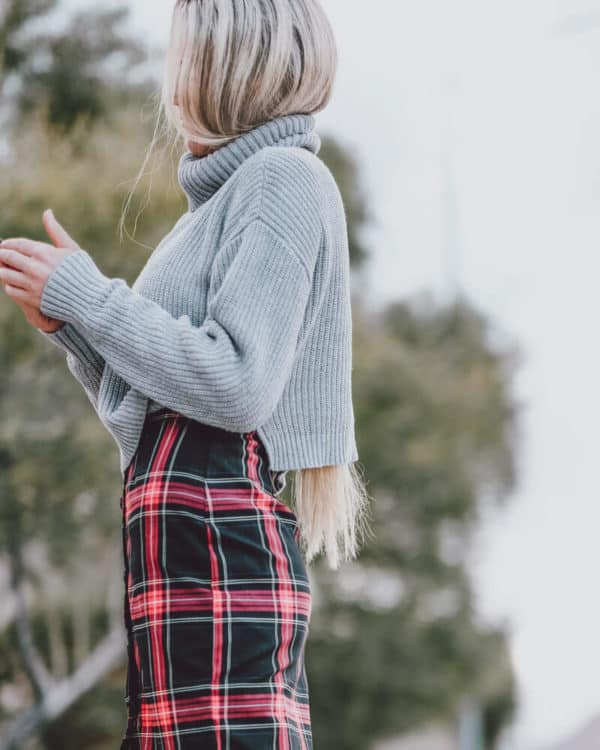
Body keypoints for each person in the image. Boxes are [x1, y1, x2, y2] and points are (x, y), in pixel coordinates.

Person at [0, 0, 371, 747]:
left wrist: (91, 297)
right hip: (182, 558)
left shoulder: (281, 179)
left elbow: (236, 384)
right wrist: (75, 325)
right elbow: (147, 413)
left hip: (214, 550)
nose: (170, 78)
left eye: (183, 53)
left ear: (225, 64)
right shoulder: (216, 202)